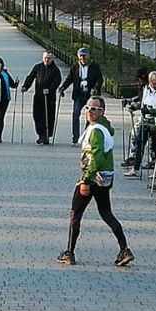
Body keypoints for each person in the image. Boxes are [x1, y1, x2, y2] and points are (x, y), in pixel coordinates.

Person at [57, 96, 134, 266]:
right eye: (88, 108)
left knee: (75, 214)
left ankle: (69, 252)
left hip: (93, 177)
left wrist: (85, 180)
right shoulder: (101, 126)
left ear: (102, 112)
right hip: (104, 177)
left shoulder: (97, 131)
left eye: (94, 109)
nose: (90, 112)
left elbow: (96, 156)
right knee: (106, 212)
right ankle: (124, 249)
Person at [124, 71, 156, 178]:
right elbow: (143, 103)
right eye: (154, 83)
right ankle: (136, 168)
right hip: (144, 122)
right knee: (139, 145)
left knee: (155, 147)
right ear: (150, 82)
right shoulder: (146, 89)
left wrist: (149, 111)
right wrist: (134, 106)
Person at [59, 47, 103, 145]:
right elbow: (69, 79)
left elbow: (100, 79)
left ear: (88, 57)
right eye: (81, 57)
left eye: (85, 56)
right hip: (79, 94)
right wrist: (63, 88)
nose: (83, 59)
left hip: (90, 94)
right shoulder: (75, 66)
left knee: (91, 116)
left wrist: (96, 88)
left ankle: (87, 135)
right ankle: (75, 137)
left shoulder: (94, 66)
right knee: (75, 114)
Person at [21, 51, 62, 145]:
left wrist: (50, 89)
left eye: (49, 58)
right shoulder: (37, 67)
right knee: (37, 116)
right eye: (45, 58)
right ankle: (41, 135)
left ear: (52, 59)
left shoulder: (55, 70)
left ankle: (47, 135)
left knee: (48, 117)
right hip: (38, 96)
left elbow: (57, 81)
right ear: (42, 58)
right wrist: (25, 87)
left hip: (49, 98)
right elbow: (30, 77)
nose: (47, 60)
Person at [120, 68, 149, 168]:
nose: (138, 83)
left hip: (150, 115)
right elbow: (140, 98)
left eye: (139, 80)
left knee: (138, 133)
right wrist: (131, 101)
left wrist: (134, 104)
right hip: (144, 114)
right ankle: (134, 156)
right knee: (135, 133)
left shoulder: (148, 88)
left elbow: (143, 101)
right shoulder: (143, 87)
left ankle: (135, 156)